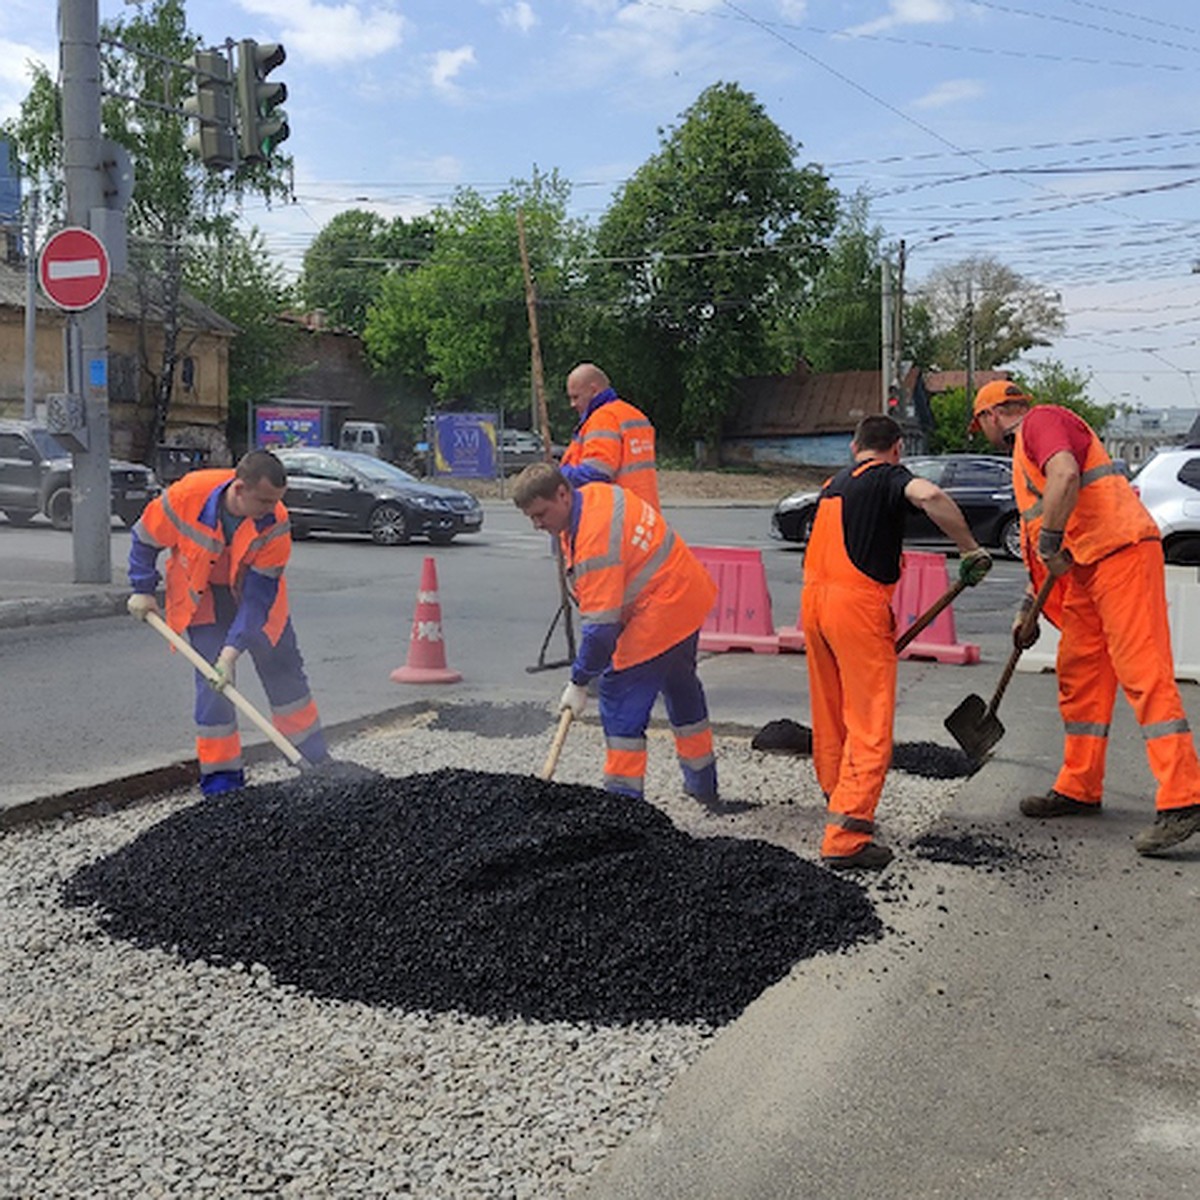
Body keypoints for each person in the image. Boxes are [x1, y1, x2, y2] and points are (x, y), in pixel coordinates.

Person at [969, 379, 1200, 856]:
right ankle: (1079, 786)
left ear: (993, 415)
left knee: (1143, 672)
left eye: (981, 424)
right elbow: (1039, 540)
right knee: (1080, 676)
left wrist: (1052, 541)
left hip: (1120, 554)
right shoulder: (1022, 458)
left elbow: (1067, 477)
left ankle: (1185, 799)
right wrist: (1026, 612)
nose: (983, 431)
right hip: (1084, 569)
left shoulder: (1042, 422)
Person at [801, 415, 993, 871]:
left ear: (854, 447)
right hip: (855, 609)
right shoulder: (890, 477)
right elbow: (930, 495)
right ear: (898, 448)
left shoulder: (835, 484)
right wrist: (969, 548)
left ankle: (840, 799)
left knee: (831, 713)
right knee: (870, 722)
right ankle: (845, 838)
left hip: (814, 606)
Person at [513, 462, 719, 806]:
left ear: (563, 494)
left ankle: (624, 806)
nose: (537, 525)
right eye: (531, 518)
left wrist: (579, 681)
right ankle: (703, 785)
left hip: (661, 609)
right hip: (687, 596)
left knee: (618, 694)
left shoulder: (594, 539)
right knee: (681, 688)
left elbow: (600, 632)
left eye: (541, 514)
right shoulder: (595, 496)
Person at [126, 450, 329, 796]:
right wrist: (142, 588)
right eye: (264, 500)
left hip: (255, 598)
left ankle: (315, 763)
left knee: (286, 677)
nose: (272, 508)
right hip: (204, 599)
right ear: (239, 488)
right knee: (213, 689)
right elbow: (144, 539)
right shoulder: (186, 496)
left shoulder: (275, 521)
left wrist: (230, 654)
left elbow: (257, 598)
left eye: (277, 500)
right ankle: (223, 785)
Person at [559, 362, 660, 510]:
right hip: (644, 512)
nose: (572, 404)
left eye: (576, 397)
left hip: (617, 514)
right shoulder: (634, 414)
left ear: (593, 390)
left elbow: (597, 472)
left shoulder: (603, 418)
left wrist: (559, 475)